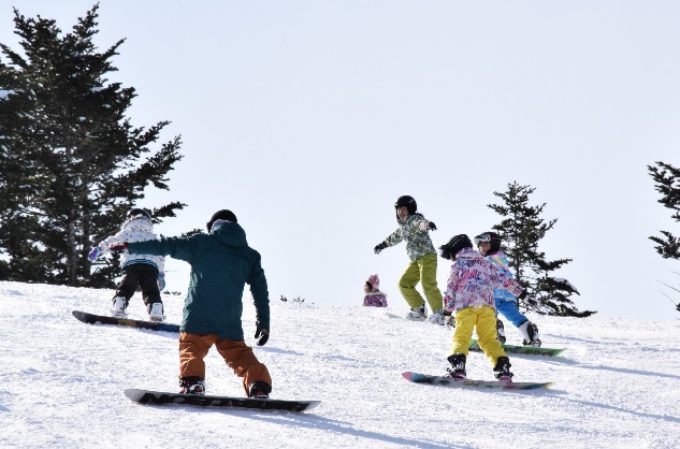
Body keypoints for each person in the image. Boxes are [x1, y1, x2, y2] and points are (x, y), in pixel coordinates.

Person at [108, 209, 272, 399]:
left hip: (198, 313)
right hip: (229, 319)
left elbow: (166, 245)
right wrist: (264, 323)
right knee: (238, 353)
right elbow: (260, 292)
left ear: (213, 227)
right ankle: (257, 384)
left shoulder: (201, 242)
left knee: (191, 347)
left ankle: (193, 382)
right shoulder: (250, 255)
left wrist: (131, 247)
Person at [439, 234, 527, 381]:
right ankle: (502, 368)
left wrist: (447, 311)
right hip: (487, 308)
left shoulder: (458, 265)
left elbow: (451, 289)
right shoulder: (486, 263)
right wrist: (522, 294)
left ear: (456, 250)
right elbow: (504, 280)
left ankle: (458, 366)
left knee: (462, 337)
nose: (451, 259)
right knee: (489, 340)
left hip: (466, 307)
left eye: (451, 255)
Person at [374, 195, 445, 324]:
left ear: (410, 209)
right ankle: (418, 308)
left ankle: (440, 313)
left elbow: (421, 224)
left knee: (428, 284)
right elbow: (394, 237)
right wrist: (382, 245)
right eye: (398, 209)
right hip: (416, 260)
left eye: (403, 209)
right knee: (404, 284)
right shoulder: (402, 227)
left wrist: (428, 224)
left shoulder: (414, 220)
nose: (400, 212)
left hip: (427, 257)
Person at [88, 208, 166, 321]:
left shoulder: (127, 232)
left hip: (132, 265)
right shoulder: (153, 237)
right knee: (151, 290)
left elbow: (112, 241)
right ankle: (156, 310)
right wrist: (161, 274)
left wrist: (99, 249)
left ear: (129, 219)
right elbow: (161, 256)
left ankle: (119, 306)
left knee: (127, 286)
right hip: (151, 266)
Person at [474, 232, 542, 347]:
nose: (483, 248)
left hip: (492, 295)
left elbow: (502, 279)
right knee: (514, 316)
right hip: (507, 294)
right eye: (481, 245)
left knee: (487, 314)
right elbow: (507, 278)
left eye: (486, 244)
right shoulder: (500, 259)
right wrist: (522, 294)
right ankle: (531, 335)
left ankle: (496, 334)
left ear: (494, 244)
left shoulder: (490, 260)